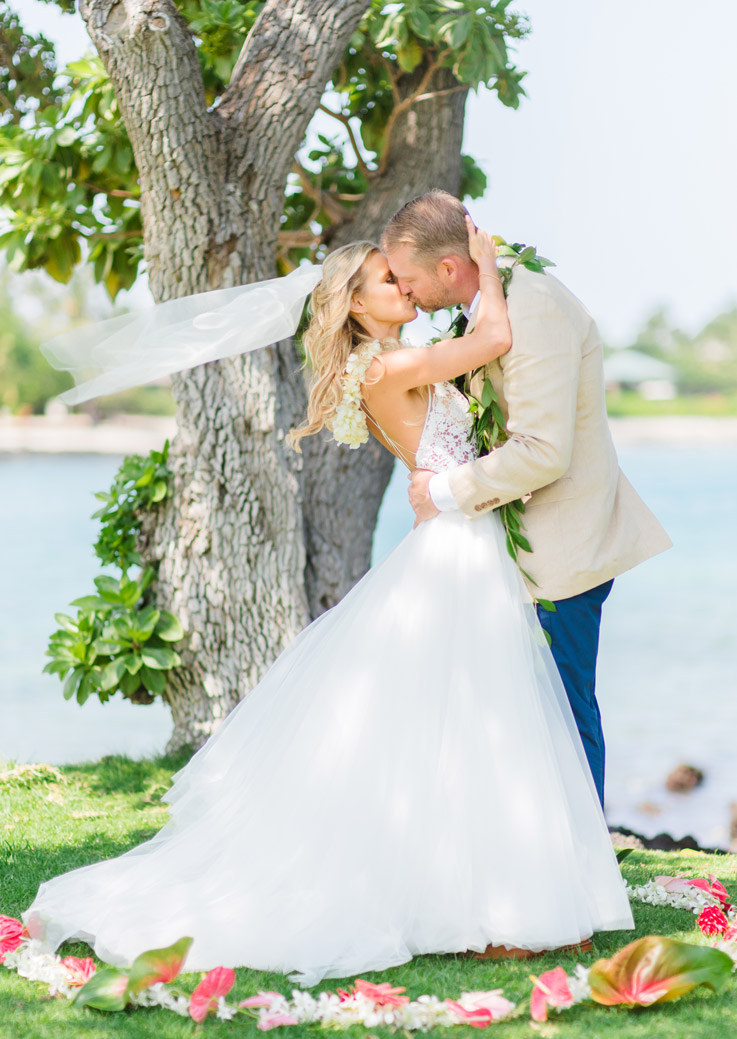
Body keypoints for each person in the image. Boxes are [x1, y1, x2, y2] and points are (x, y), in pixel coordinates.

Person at [24, 222, 635, 987]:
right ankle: (497, 898)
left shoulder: (380, 365)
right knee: (484, 714)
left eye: (403, 278)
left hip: (460, 538)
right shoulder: (387, 366)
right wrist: (484, 260)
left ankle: (491, 887)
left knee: (470, 720)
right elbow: (497, 333)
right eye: (389, 282)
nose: (405, 289)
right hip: (458, 550)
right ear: (353, 304)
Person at [382, 191, 672, 807]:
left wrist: (440, 491)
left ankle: (585, 864)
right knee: (522, 720)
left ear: (448, 269)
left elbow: (542, 451)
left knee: (563, 718)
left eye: (407, 280)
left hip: (560, 551)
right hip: (512, 552)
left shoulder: (532, 306)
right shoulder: (492, 301)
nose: (403, 293)